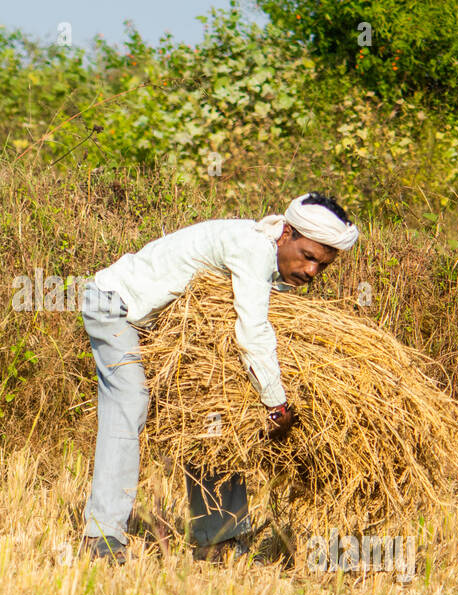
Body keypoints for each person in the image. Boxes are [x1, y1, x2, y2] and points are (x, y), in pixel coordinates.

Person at [78, 192, 359, 564]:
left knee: (216, 411)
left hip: (153, 321)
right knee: (130, 402)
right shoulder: (253, 249)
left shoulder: (270, 253)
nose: (311, 272)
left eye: (321, 266)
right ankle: (102, 535)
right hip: (114, 305)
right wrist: (276, 401)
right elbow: (253, 332)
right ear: (287, 232)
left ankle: (219, 540)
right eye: (308, 257)